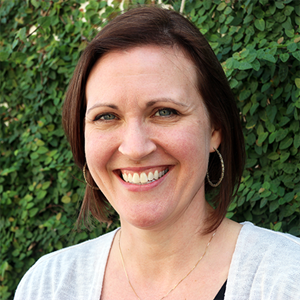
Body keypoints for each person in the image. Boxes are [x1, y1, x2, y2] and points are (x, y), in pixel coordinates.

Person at [14, 6, 300, 300]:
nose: (135, 148)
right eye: (106, 116)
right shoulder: (48, 285)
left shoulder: (287, 279)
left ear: (215, 129)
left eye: (165, 112)